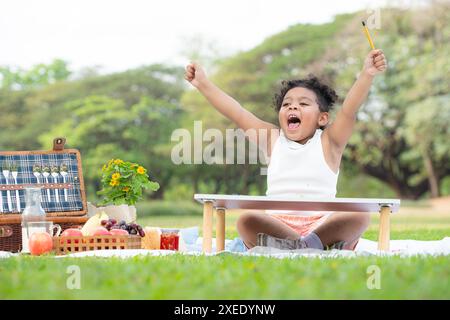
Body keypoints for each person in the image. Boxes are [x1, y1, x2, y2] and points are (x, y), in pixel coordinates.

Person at [184, 49, 387, 250]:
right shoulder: (273, 139)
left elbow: (349, 110)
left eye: (303, 103)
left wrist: (367, 74)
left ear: (322, 118)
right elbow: (237, 112)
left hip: (323, 225)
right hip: (278, 225)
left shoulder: (329, 141)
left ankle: (304, 245)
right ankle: (305, 246)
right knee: (246, 220)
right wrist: (203, 84)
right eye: (286, 104)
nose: (292, 107)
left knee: (358, 215)